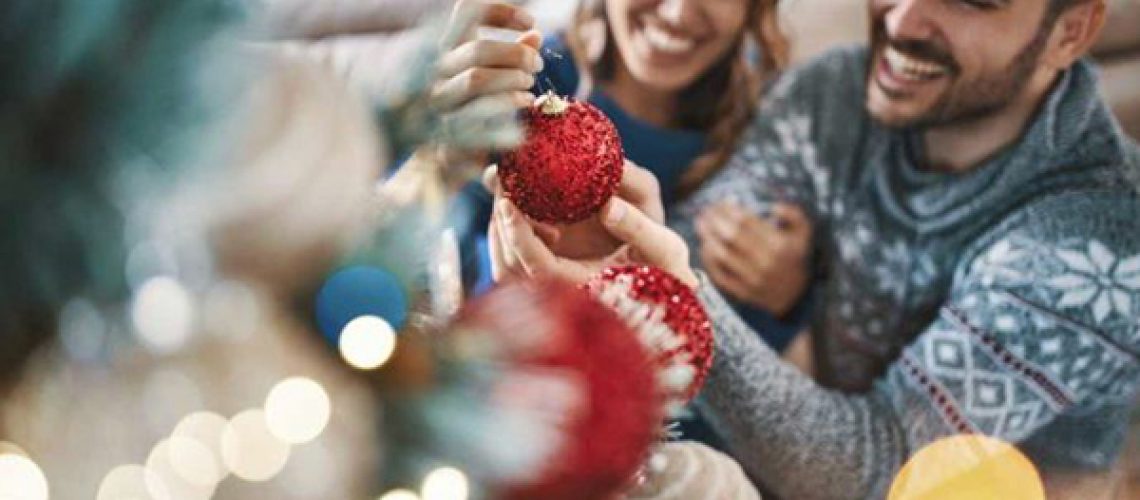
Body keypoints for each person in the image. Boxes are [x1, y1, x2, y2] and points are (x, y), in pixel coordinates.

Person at [488, 0, 1140, 497]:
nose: (903, 19)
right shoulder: (834, 91)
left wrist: (675, 300)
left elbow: (883, 471)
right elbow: (694, 240)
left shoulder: (1101, 242)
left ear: (1071, 32)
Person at [434, 0, 814, 355]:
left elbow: (752, 381)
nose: (677, 12)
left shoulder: (778, 131)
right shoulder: (527, 80)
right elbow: (417, 255)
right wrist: (439, 159)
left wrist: (784, 300)